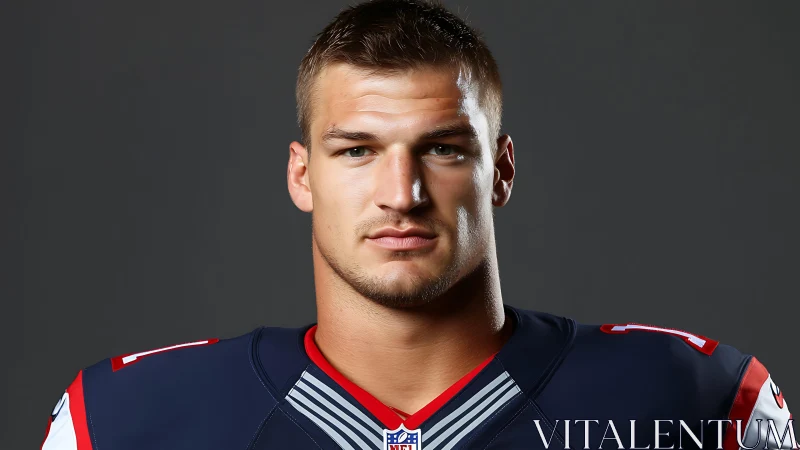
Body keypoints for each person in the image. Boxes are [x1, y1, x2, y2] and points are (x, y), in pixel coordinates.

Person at [40, 1, 794, 449]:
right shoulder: (124, 421)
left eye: (440, 148)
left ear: (499, 171)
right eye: (358, 149)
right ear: (302, 174)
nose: (401, 193)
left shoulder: (695, 402)